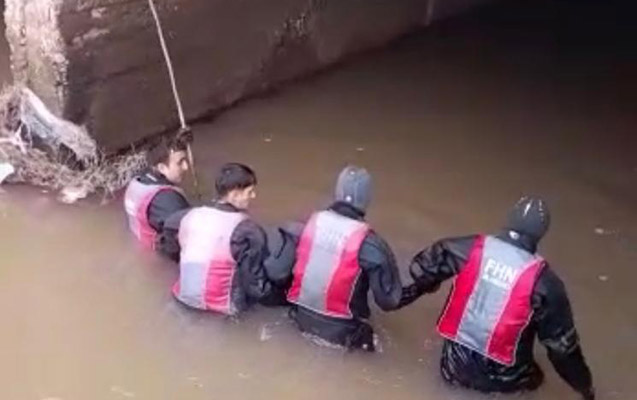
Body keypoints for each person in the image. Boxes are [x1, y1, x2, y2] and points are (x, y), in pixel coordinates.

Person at [399, 196, 595, 399]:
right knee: (537, 378)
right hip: (506, 381)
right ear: (541, 234)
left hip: (453, 368)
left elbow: (421, 269)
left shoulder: (464, 249)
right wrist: (586, 388)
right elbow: (563, 350)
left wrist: (427, 287)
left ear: (508, 221)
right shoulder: (546, 284)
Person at [266, 166, 403, 351]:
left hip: (300, 321)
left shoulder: (301, 227)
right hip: (346, 334)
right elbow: (388, 301)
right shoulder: (373, 246)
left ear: (337, 193)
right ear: (367, 200)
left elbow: (275, 273)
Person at [170, 163, 274, 315]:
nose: (253, 196)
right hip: (221, 309)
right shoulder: (248, 230)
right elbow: (253, 283)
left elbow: (169, 237)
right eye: (250, 192)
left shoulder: (190, 215)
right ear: (234, 195)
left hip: (182, 298)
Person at [124, 133, 190, 250]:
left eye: (186, 160)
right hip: (159, 253)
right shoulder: (168, 201)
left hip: (141, 245)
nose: (186, 167)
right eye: (180, 163)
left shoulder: (139, 179)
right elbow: (190, 236)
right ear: (162, 168)